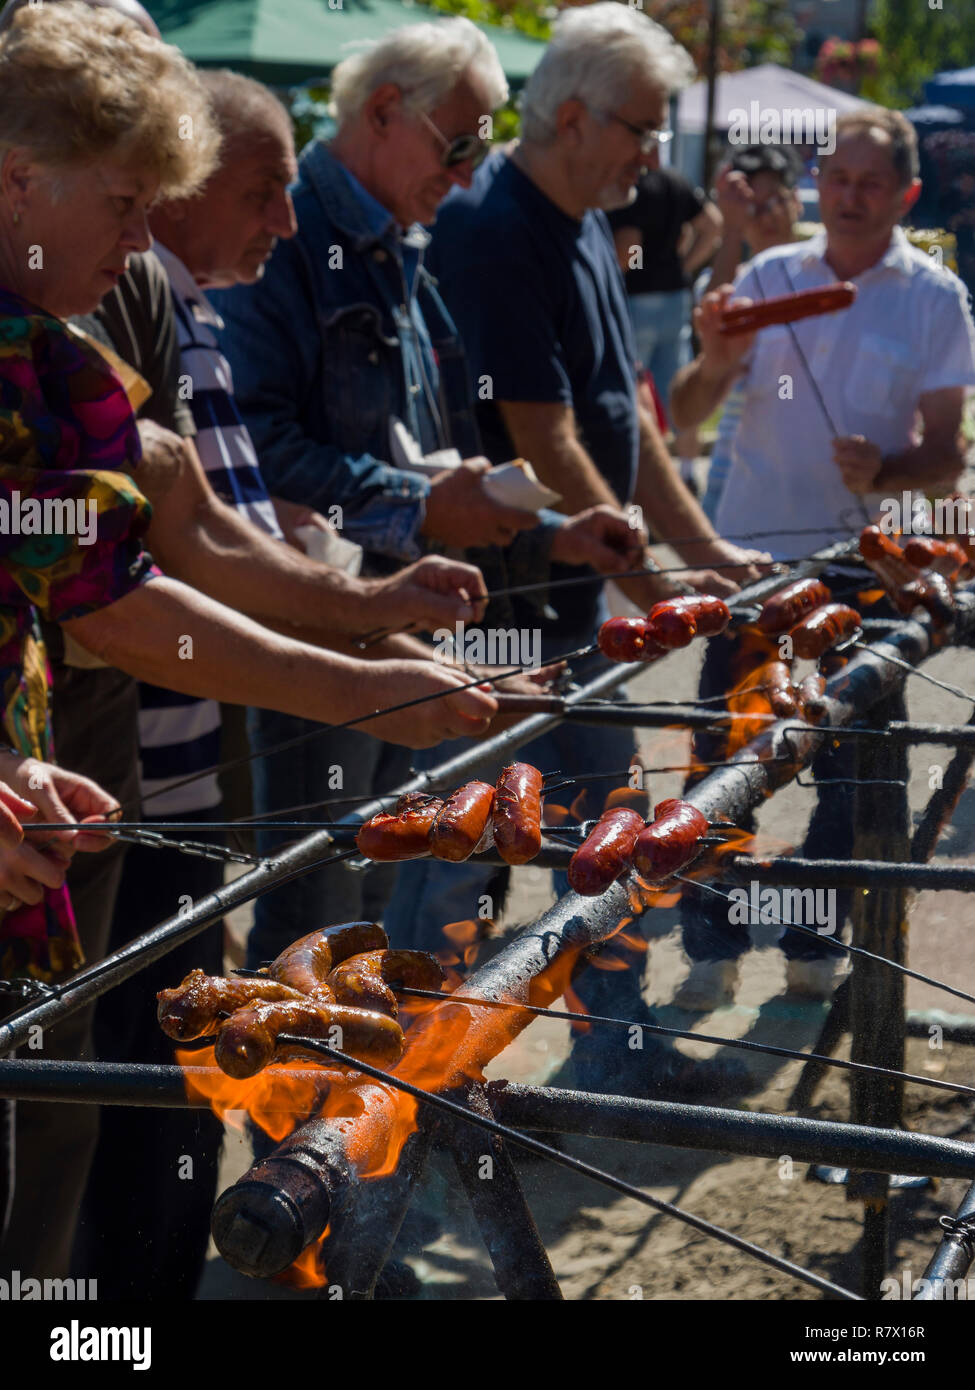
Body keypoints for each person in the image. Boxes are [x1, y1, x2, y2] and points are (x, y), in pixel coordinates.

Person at [0, 2, 502, 1283]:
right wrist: (366, 685)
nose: (143, 237)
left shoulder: (54, 355)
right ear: (17, 178)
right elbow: (120, 606)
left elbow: (118, 574)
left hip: (40, 811)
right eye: (124, 202)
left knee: (42, 1136)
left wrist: (373, 652)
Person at [214, 14, 651, 969]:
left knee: (375, 886)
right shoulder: (287, 236)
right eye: (457, 146)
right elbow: (254, 450)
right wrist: (422, 508)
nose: (465, 175)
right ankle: (300, 1112)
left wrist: (547, 535)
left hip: (400, 626)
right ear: (383, 111)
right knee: (318, 906)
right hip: (313, 633)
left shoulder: (402, 242)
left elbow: (440, 467)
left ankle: (356, 1105)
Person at [404, 3, 768, 1097]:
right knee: (464, 859)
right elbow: (539, 429)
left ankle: (618, 1048)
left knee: (614, 832)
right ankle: (412, 1093)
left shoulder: (587, 223)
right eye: (643, 131)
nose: (655, 156)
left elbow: (628, 416)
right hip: (498, 608)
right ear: (572, 116)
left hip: (575, 608)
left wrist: (701, 548)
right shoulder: (494, 227)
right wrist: (653, 578)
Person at [669, 108, 975, 1009]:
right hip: (751, 562)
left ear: (905, 194)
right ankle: (708, 948)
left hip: (864, 565)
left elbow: (947, 454)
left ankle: (810, 936)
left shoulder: (931, 296)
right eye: (836, 179)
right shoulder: (767, 276)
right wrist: (715, 357)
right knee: (721, 761)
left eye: (870, 183)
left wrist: (887, 468)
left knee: (853, 767)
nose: (848, 197)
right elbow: (685, 413)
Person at [694, 144, 804, 524]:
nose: (766, 216)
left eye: (775, 200)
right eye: (752, 207)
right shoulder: (731, 279)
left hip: (809, 473)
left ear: (797, 203)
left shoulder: (824, 276)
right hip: (735, 469)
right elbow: (714, 311)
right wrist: (731, 230)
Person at [607, 149, 723, 490]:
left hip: (635, 299)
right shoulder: (676, 181)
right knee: (676, 392)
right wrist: (684, 266)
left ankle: (644, 481)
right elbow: (712, 224)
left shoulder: (626, 186)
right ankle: (687, 472)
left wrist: (602, 280)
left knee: (635, 392)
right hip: (675, 297)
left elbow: (630, 246)